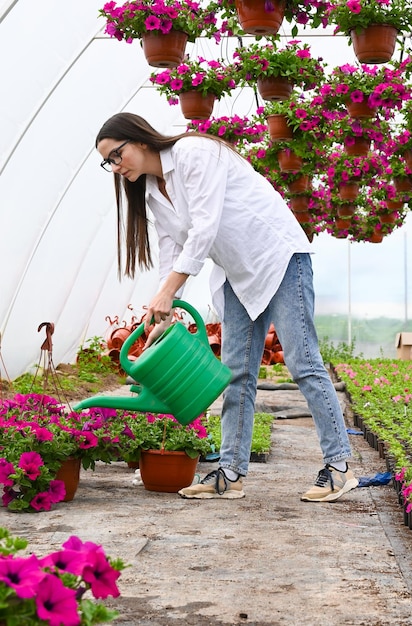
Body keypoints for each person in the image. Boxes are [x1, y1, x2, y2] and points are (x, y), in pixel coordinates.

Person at [96, 112, 358, 502]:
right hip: (237, 273)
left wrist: (170, 291)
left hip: (279, 257)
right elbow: (172, 247)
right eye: (109, 163)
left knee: (304, 363)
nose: (117, 168)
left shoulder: (193, 152)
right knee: (235, 374)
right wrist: (165, 311)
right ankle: (230, 474)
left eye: (117, 156)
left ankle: (339, 468)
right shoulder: (152, 189)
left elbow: (205, 226)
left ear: (140, 140)